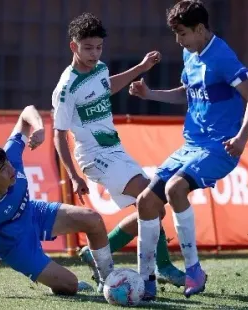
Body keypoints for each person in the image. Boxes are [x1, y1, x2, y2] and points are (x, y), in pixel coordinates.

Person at [129, 0, 248, 300]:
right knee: (146, 201)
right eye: (176, 35)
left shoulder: (222, 56)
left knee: (176, 188)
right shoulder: (190, 53)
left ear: (200, 29)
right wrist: (150, 94)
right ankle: (145, 279)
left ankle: (194, 270)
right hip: (191, 146)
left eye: (183, 34)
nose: (179, 41)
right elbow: (186, 95)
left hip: (220, 147)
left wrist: (241, 138)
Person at [52, 12, 186, 292]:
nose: (94, 53)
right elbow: (59, 134)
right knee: (151, 201)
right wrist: (74, 176)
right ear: (73, 46)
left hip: (115, 150)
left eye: (98, 47)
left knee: (153, 210)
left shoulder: (99, 68)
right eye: (88, 47)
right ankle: (162, 268)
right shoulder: (66, 88)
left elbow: (107, 86)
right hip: (93, 156)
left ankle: (99, 251)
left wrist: (140, 67)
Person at [0, 105, 115, 298]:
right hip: (15, 244)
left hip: (33, 213)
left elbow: (26, 112)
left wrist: (39, 128)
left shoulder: (11, 156)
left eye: (7, 163)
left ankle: (108, 280)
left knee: (93, 219)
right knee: (71, 286)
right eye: (2, 169)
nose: (10, 169)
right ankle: (58, 281)